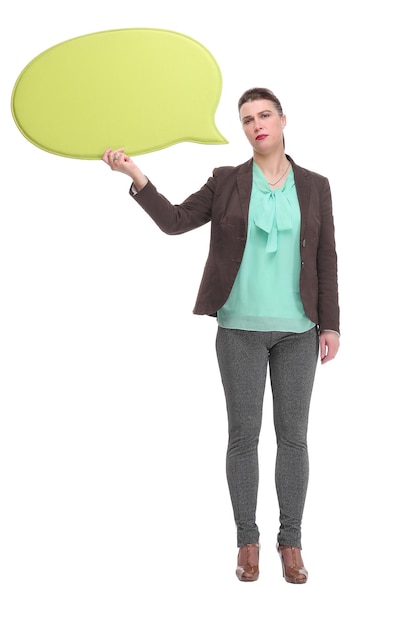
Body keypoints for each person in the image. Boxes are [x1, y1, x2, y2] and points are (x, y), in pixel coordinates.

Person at [102, 87, 340, 584]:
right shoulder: (227, 181)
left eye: (265, 115)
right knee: (243, 438)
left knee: (293, 439)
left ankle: (291, 542)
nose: (257, 124)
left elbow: (326, 258)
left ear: (282, 120)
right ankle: (247, 542)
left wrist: (332, 323)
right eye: (247, 118)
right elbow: (176, 222)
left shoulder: (316, 186)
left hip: (299, 331)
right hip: (238, 330)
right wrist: (135, 175)